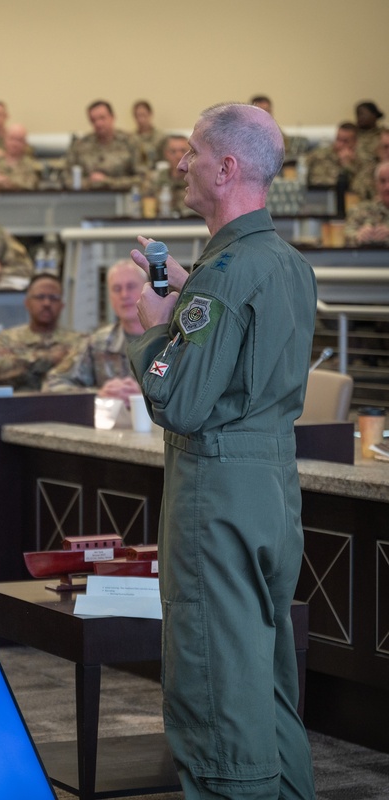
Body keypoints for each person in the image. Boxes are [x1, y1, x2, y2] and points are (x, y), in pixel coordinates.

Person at [126, 102, 315, 798]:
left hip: (216, 490)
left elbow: (181, 398)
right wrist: (191, 290)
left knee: (214, 685)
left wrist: (152, 330)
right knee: (264, 680)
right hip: (271, 487)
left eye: (194, 154)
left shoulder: (227, 272)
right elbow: (243, 359)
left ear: (227, 167)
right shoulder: (284, 263)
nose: (182, 165)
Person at [44, 260, 145, 397]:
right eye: (116, 289)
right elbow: (52, 384)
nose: (124, 295)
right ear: (110, 296)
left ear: (147, 289)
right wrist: (99, 395)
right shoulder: (98, 343)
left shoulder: (172, 339)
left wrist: (144, 396)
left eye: (131, 287)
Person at [0, 272, 78, 391]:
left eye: (53, 298)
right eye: (40, 297)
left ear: (62, 305)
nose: (47, 303)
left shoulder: (78, 342)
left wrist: (16, 360)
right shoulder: (5, 339)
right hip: (15, 405)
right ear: (27, 303)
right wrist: (49, 358)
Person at [65, 100, 145, 190]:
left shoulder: (131, 142)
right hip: (88, 198)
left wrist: (109, 182)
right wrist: (89, 183)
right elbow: (67, 179)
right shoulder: (80, 145)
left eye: (102, 118)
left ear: (113, 117)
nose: (98, 124)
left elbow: (143, 178)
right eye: (93, 120)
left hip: (124, 197)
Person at [143, 135, 193, 217]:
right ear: (166, 154)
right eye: (173, 151)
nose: (178, 156)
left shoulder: (198, 180)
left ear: (190, 154)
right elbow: (147, 210)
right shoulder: (154, 179)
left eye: (183, 151)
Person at [0, 123, 41, 191]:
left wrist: (9, 184)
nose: (15, 144)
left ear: (25, 143)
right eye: (12, 139)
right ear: (5, 140)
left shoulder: (31, 165)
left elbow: (32, 186)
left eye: (19, 140)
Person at [345, 161, 389, 246]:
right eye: (382, 181)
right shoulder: (362, 210)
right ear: (376, 185)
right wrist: (358, 236)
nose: (387, 187)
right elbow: (346, 233)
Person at [306, 122, 359, 188]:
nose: (339, 145)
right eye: (338, 139)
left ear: (355, 142)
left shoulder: (360, 160)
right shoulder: (320, 153)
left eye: (345, 141)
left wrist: (347, 165)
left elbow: (358, 189)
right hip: (315, 193)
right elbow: (300, 167)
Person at [132, 100, 165, 169]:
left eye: (144, 115)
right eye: (138, 116)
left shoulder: (161, 137)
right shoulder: (131, 138)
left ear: (150, 114)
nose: (141, 119)